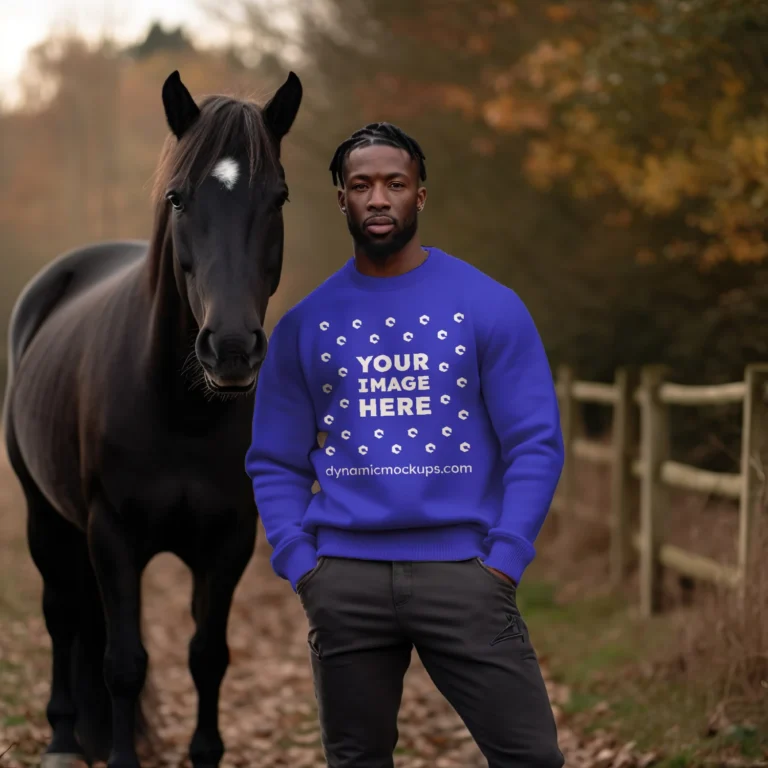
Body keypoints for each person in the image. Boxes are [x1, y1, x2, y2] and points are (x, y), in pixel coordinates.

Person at [245, 122, 566, 768]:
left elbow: (535, 442)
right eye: (361, 185)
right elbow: (274, 461)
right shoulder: (305, 325)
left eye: (395, 183)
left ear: (421, 195)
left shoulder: (488, 306)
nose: (379, 198)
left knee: (533, 759)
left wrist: (505, 558)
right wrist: (301, 562)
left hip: (466, 576)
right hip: (345, 582)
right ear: (341, 198)